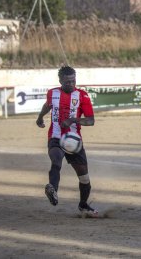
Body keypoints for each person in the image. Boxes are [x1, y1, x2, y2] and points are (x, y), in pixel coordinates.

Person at [36, 66, 98, 217]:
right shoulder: (52, 93)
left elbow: (90, 121)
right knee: (56, 161)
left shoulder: (82, 96)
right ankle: (53, 190)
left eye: (73, 80)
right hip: (55, 137)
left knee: (84, 178)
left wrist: (72, 120)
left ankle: (83, 205)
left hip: (74, 141)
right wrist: (39, 117)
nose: (71, 83)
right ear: (60, 81)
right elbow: (47, 106)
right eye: (67, 81)